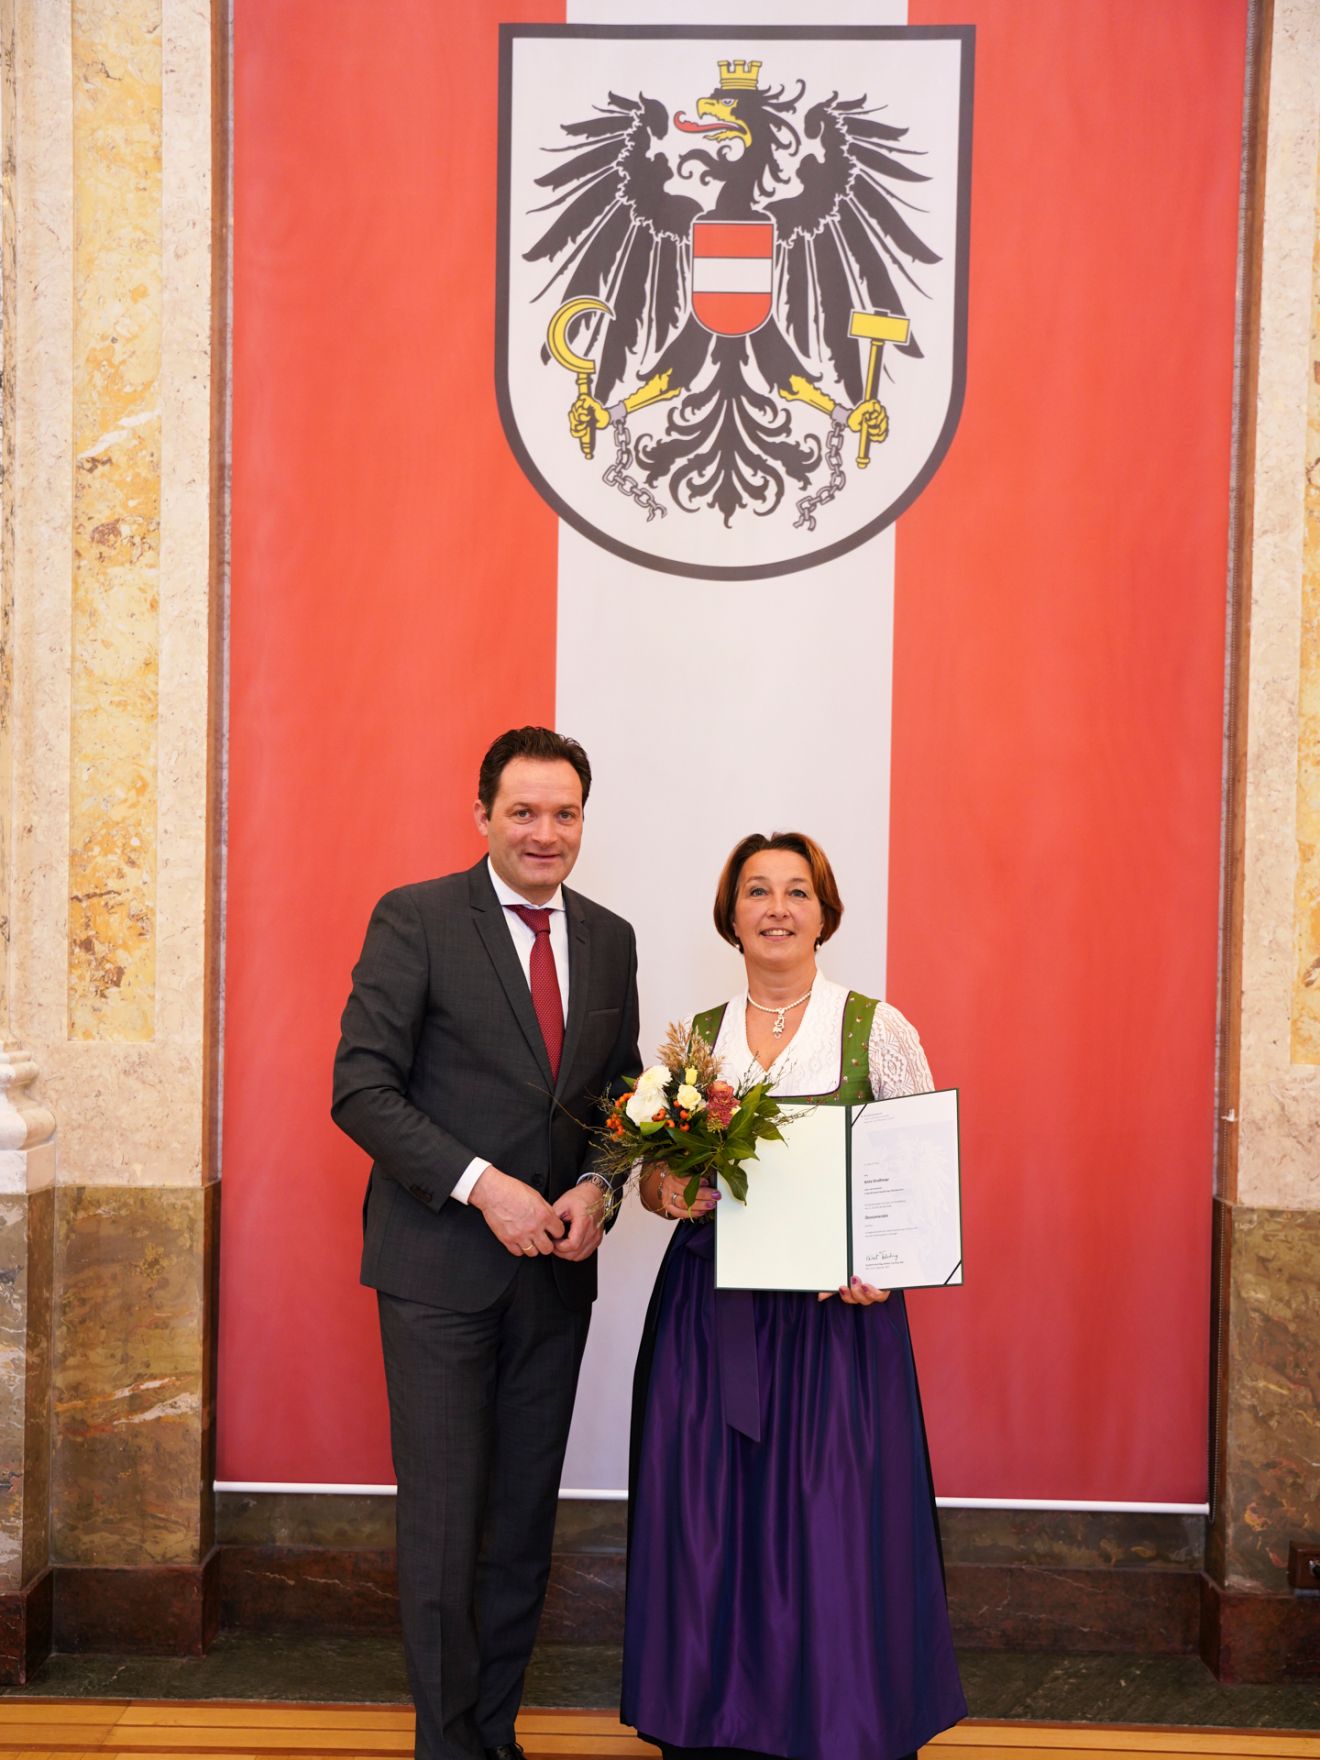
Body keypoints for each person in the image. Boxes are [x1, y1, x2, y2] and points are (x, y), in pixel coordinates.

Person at [621, 831, 966, 1760]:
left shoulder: (876, 1027)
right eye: (758, 891)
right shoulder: (692, 1039)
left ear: (825, 911)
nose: (777, 908)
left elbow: (918, 1181)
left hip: (834, 1325)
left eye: (797, 892)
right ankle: (708, 1719)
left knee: (834, 1525)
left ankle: (843, 1717)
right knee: (706, 1522)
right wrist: (671, 1191)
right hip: (710, 1315)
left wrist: (882, 1267)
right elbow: (654, 1181)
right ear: (730, 914)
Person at [332, 727, 640, 1760]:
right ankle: (447, 1744)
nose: (544, 832)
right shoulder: (415, 918)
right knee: (445, 1524)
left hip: (556, 1279)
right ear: (483, 816)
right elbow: (361, 1088)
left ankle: (494, 1736)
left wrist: (603, 1181)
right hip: (438, 1273)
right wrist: (483, 1186)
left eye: (563, 813)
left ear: (583, 821)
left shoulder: (612, 936)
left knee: (519, 1525)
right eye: (523, 811)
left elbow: (619, 1097)